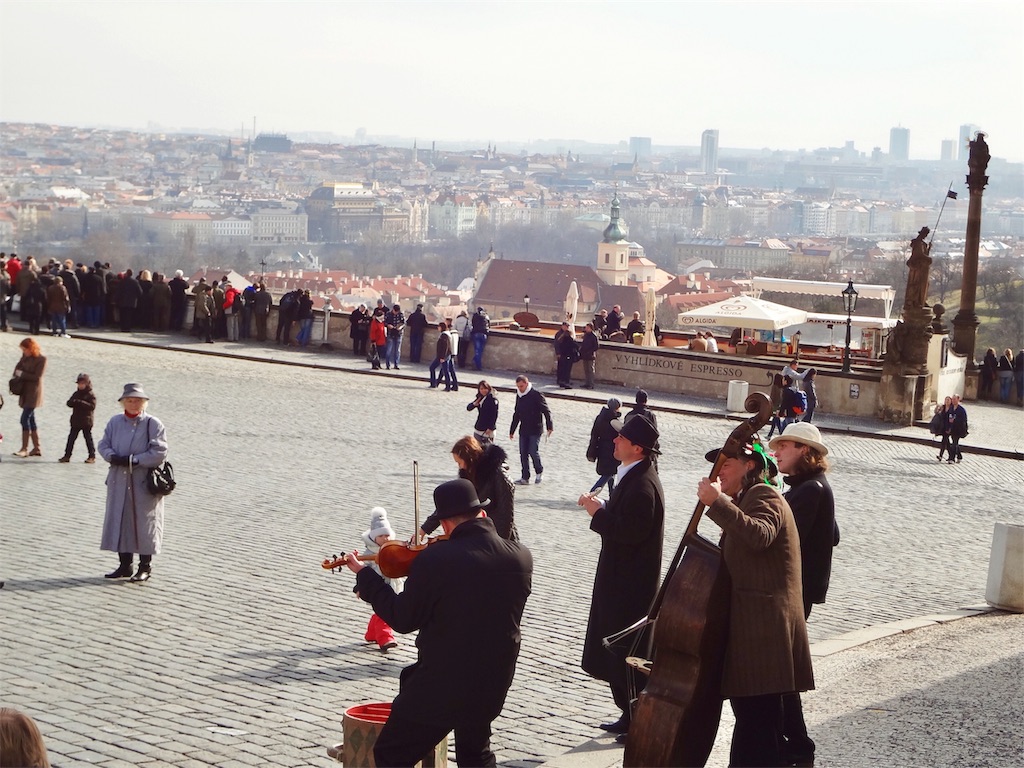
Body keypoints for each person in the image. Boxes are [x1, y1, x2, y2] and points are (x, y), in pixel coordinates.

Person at [342, 478, 533, 767]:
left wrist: (366, 578)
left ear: (444, 524)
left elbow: (403, 618)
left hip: (442, 683)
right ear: (482, 514)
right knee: (475, 754)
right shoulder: (520, 556)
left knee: (391, 754)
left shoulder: (436, 560)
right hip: (493, 679)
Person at [696, 437, 814, 767]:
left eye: (727, 464)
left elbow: (759, 535)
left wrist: (717, 503)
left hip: (764, 633)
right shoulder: (745, 499)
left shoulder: (764, 495)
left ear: (750, 466)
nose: (719, 472)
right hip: (754, 632)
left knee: (757, 724)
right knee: (755, 724)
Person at [577, 416, 665, 743]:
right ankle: (628, 715)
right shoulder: (634, 476)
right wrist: (604, 507)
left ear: (637, 447)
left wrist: (597, 514)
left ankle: (638, 721)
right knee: (617, 656)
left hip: (629, 588)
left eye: (621, 438)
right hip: (619, 581)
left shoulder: (643, 485)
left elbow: (630, 532)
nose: (614, 441)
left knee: (627, 656)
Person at [769, 422, 838, 766]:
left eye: (785, 445)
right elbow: (834, 533)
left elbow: (778, 537)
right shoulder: (809, 487)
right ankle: (793, 741)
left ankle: (796, 742)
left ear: (805, 452)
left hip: (793, 592)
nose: (776, 451)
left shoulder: (811, 490)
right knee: (782, 669)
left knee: (782, 670)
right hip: (798, 591)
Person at [98, 383, 169, 583]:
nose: (133, 404)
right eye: (129, 400)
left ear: (144, 403)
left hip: (142, 482)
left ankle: (145, 566)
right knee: (121, 520)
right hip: (119, 480)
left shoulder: (153, 424)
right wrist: (111, 456)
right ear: (123, 403)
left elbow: (160, 452)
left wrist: (135, 460)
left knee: (144, 523)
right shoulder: (115, 422)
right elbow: (103, 444)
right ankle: (124, 564)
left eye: (137, 400)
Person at [420, 436, 519, 543]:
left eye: (459, 463)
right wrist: (424, 529)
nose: (460, 467)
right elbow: (449, 506)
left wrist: (498, 544)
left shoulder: (499, 475)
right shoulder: (468, 474)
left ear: (469, 458)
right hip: (479, 534)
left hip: (499, 537)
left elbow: (505, 516)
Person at [357, 507, 402, 652]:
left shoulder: (393, 549)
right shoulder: (369, 554)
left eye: (387, 535)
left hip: (393, 586)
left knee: (381, 611)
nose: (385, 539)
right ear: (374, 538)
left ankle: (371, 633)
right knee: (385, 613)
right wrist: (359, 587)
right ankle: (385, 638)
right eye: (381, 536)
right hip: (376, 587)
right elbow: (364, 572)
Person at [509, 374, 553, 485]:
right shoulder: (519, 396)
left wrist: (549, 426)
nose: (520, 388)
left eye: (522, 386)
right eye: (518, 386)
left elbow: (546, 411)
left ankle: (539, 471)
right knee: (523, 453)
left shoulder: (536, 395)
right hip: (523, 429)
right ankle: (525, 477)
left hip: (535, 428)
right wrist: (512, 430)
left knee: (533, 451)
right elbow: (517, 414)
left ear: (527, 384)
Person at [11, 337, 47, 458]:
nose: (24, 351)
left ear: (30, 348)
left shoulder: (42, 359)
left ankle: (24, 448)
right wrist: (18, 372)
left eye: (25, 349)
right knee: (31, 420)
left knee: (24, 419)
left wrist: (22, 374)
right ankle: (37, 448)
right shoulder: (25, 357)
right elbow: (17, 369)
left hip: (34, 393)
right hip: (25, 392)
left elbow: (37, 377)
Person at [586, 398, 622, 493]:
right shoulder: (614, 421)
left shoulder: (600, 417)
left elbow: (594, 434)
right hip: (611, 450)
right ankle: (592, 493)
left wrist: (592, 449)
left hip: (601, 448)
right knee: (608, 474)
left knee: (610, 473)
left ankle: (612, 494)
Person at [60, 372, 97, 464]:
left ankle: (92, 456)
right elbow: (68, 403)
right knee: (71, 439)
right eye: (79, 384)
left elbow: (92, 406)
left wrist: (81, 402)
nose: (80, 385)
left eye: (82, 384)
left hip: (86, 421)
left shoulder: (90, 395)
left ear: (87, 383)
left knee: (88, 439)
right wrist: (73, 402)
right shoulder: (76, 393)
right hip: (76, 421)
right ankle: (67, 456)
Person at [467, 380, 499, 445]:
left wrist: (490, 427)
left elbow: (494, 415)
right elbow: (468, 408)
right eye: (481, 389)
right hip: (479, 427)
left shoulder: (492, 400)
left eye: (485, 388)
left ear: (488, 389)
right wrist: (474, 404)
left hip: (487, 430)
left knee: (487, 451)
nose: (483, 390)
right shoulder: (480, 398)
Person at [428, 321, 453, 389]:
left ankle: (444, 385)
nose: (438, 328)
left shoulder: (444, 335)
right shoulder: (445, 334)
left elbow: (445, 346)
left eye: (439, 326)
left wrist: (442, 357)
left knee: (442, 370)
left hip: (442, 356)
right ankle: (443, 385)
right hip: (444, 356)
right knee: (445, 371)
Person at [553, 321, 578, 389]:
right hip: (563, 354)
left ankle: (562, 381)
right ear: (562, 326)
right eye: (566, 326)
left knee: (562, 368)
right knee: (562, 368)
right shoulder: (560, 334)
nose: (566, 328)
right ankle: (562, 381)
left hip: (564, 354)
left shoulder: (564, 335)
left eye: (567, 327)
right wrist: (558, 353)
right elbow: (556, 344)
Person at [945, 394, 968, 464]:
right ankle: (959, 456)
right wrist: (948, 427)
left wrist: (955, 420)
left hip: (958, 429)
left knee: (954, 443)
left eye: (955, 399)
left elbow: (964, 420)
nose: (953, 401)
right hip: (952, 428)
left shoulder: (961, 410)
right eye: (953, 399)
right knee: (954, 443)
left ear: (958, 399)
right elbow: (947, 418)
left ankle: (951, 458)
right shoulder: (951, 408)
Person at [931, 396, 953, 461]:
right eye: (946, 400)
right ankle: (952, 455)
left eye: (948, 400)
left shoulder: (952, 409)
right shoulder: (943, 407)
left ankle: (941, 455)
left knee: (944, 441)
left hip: (948, 427)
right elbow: (937, 413)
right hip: (942, 427)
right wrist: (937, 409)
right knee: (947, 443)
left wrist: (950, 428)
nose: (947, 401)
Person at [384, 303, 405, 369]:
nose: (396, 313)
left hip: (399, 334)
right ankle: (388, 365)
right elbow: (384, 322)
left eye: (397, 312)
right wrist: (388, 325)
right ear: (393, 310)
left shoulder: (401, 314)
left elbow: (403, 323)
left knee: (397, 350)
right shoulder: (388, 314)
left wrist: (400, 327)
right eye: (395, 311)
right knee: (389, 350)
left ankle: (396, 364)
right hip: (390, 333)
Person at [580, 322, 600, 389]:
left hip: (590, 355)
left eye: (587, 328)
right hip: (585, 355)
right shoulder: (586, 335)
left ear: (591, 328)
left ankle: (591, 384)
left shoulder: (593, 336)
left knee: (590, 370)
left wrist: (590, 351)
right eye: (586, 328)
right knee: (586, 370)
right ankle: (587, 383)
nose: (586, 329)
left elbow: (596, 346)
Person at [766, 373, 785, 439]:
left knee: (776, 420)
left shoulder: (776, 387)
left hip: (775, 406)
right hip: (777, 406)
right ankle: (771, 434)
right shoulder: (780, 387)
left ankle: (780, 433)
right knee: (776, 420)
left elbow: (773, 396)